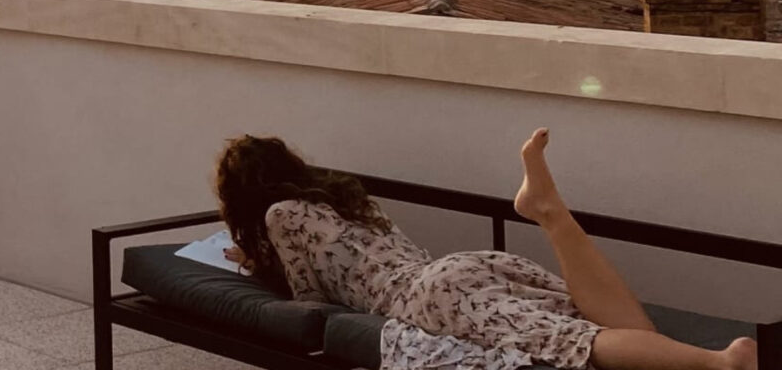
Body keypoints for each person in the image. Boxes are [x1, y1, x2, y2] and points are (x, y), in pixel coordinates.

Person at [213, 129, 756, 370]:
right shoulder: (347, 200)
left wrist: (260, 267)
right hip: (458, 268)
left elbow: (309, 296)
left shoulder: (279, 216)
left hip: (421, 298)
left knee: (572, 339)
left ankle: (717, 363)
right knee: (605, 321)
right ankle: (549, 213)